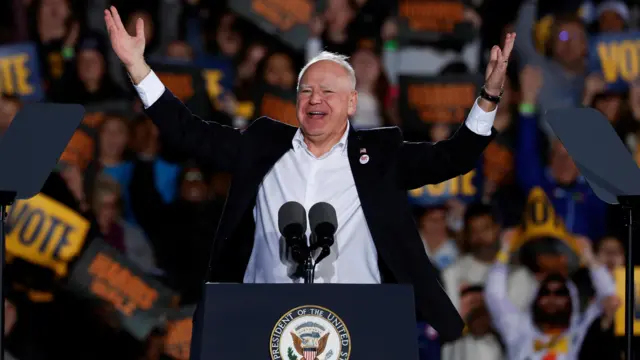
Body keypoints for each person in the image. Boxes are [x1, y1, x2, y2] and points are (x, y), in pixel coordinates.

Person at [104, 6, 515, 343]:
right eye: (306, 91)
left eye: (328, 91)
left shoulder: (381, 154)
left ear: (352, 102)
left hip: (362, 326)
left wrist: (490, 96)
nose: (315, 99)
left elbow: (452, 158)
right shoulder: (263, 145)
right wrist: (138, 66)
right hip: (262, 323)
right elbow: (188, 131)